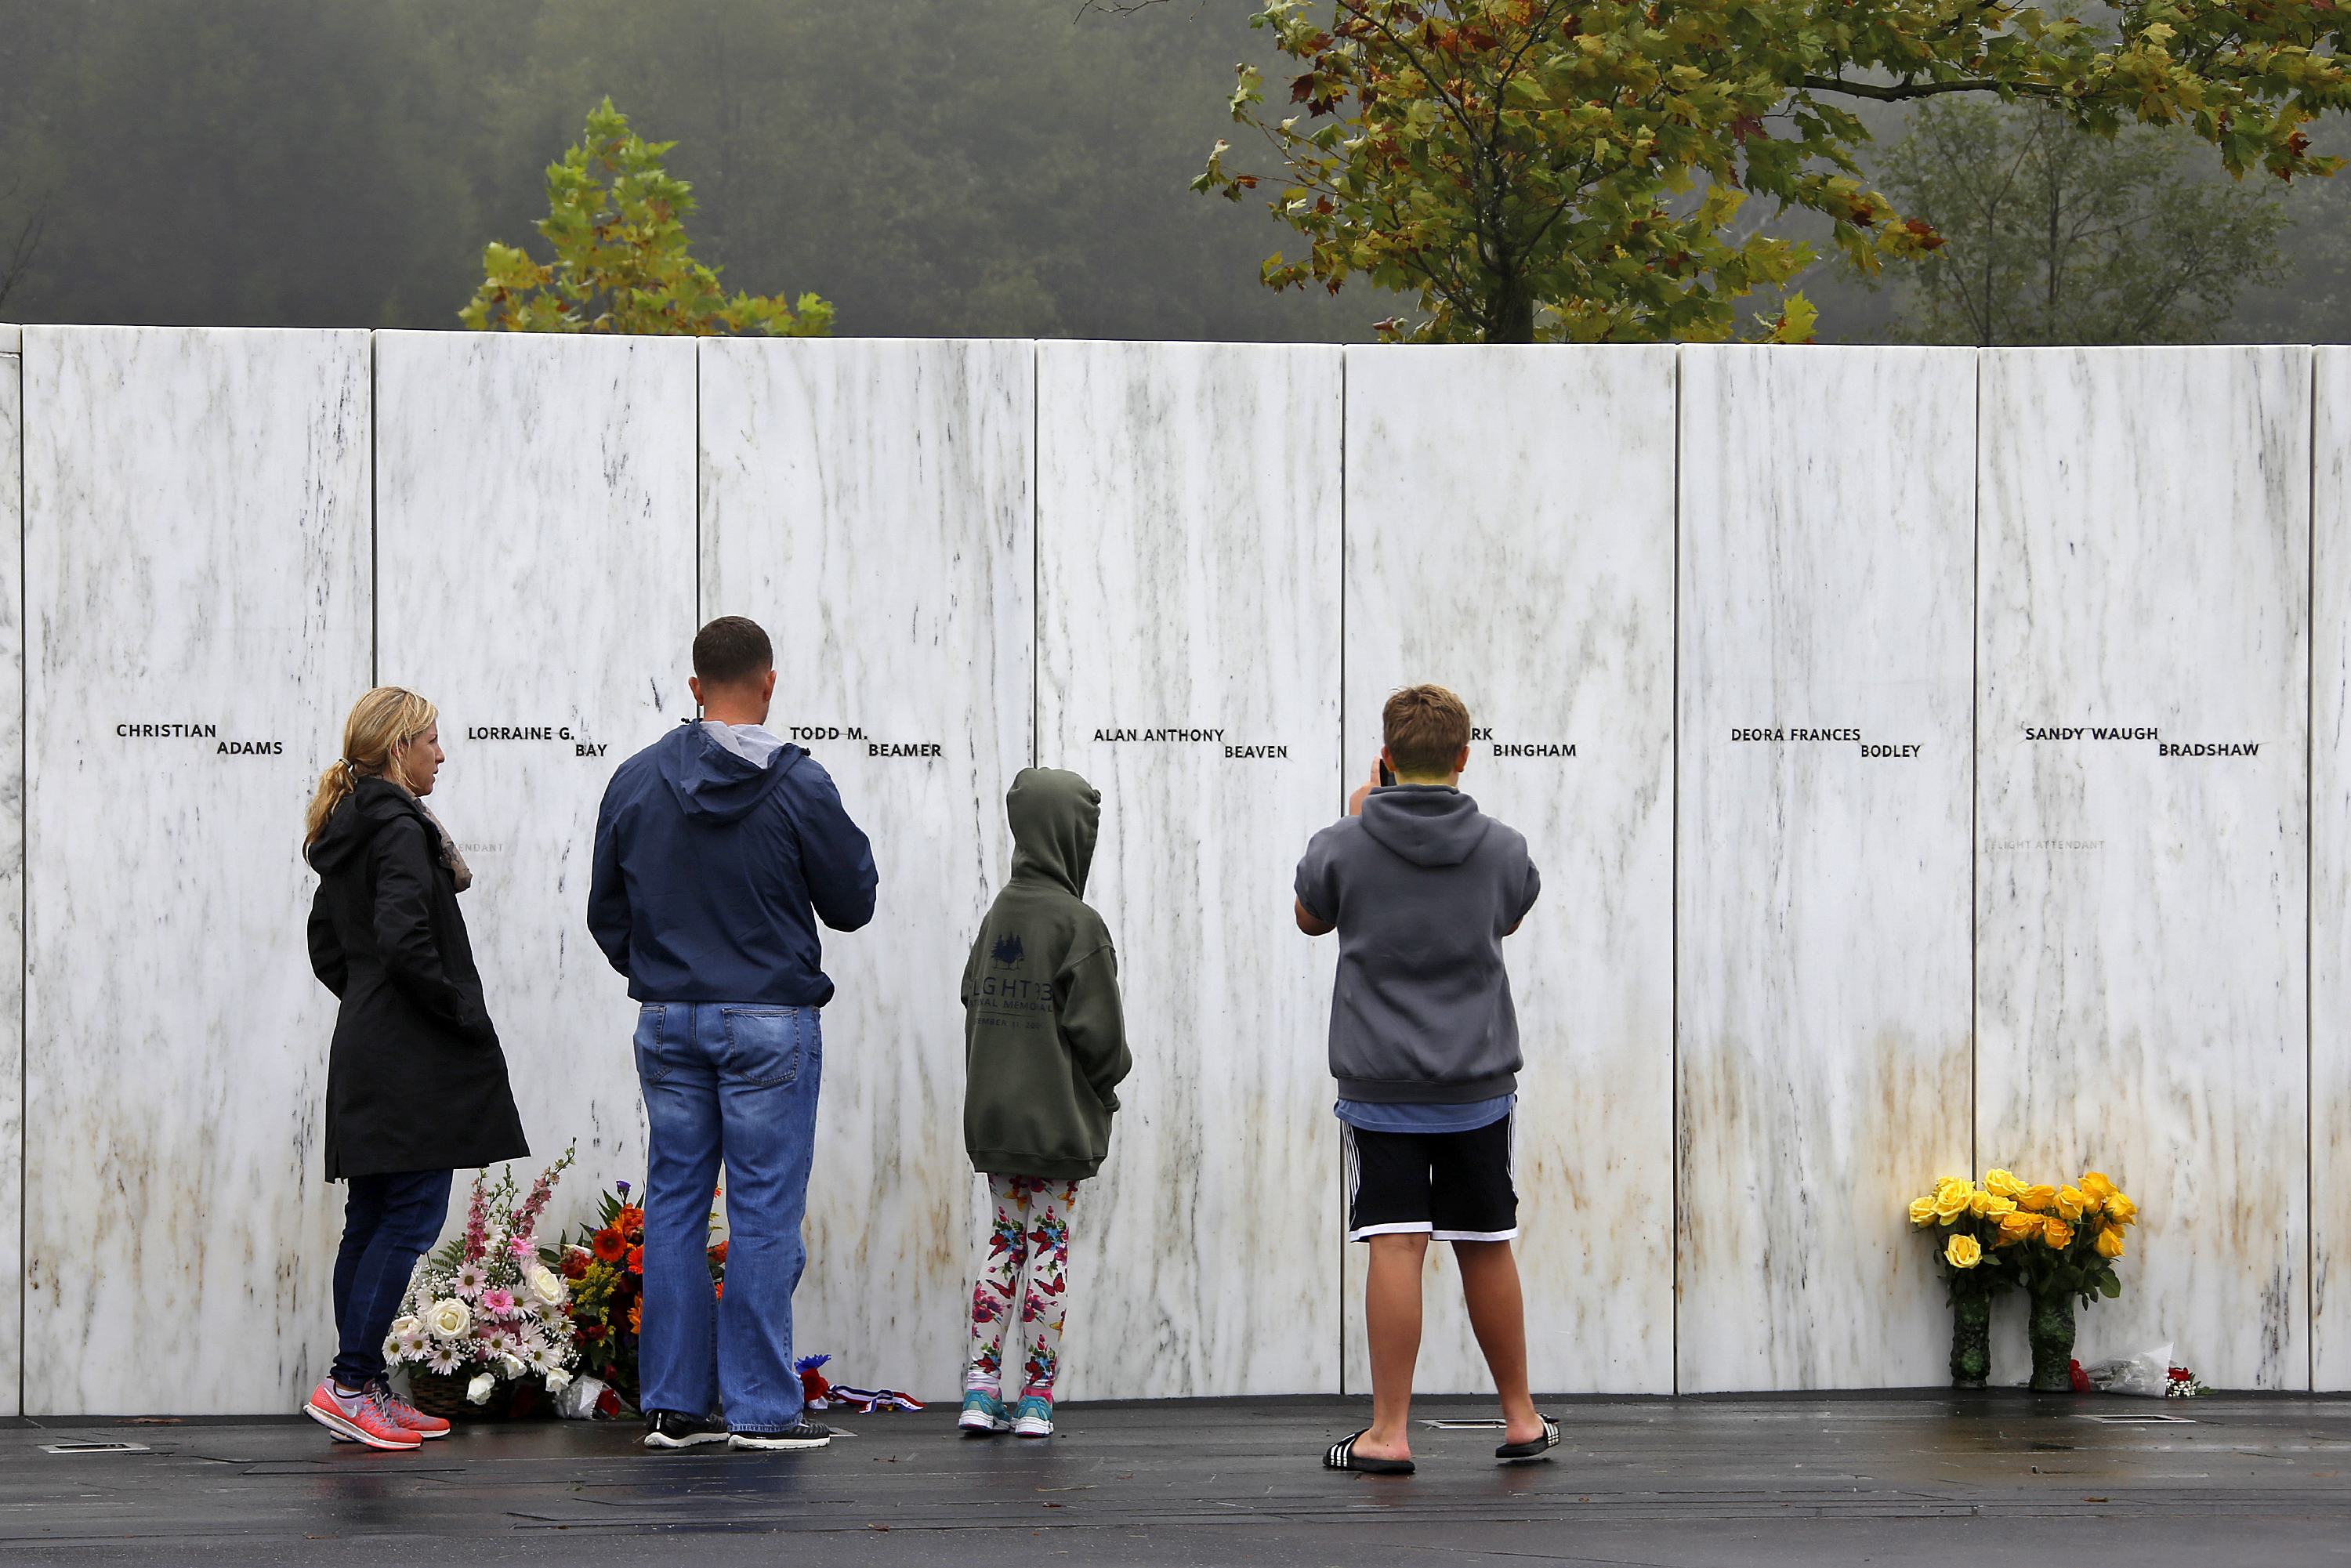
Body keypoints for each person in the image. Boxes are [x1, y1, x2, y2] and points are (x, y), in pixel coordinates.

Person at [589, 616, 878, 1452]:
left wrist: (669, 979)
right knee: (761, 1214)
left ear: (692, 687)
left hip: (669, 1019)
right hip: (768, 1022)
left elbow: (607, 912)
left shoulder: (636, 780)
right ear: (770, 683)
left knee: (675, 1208)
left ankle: (675, 1408)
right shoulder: (798, 783)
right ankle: (758, 1409)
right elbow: (853, 903)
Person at [1292, 683, 1554, 1475]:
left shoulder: (1344, 840)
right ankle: (1521, 1420)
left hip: (1382, 1087)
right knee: (1485, 1243)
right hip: (1476, 1084)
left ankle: (1388, 1433)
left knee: (1397, 1246)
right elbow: (1505, 918)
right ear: (1464, 757)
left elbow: (1310, 916)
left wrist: (1359, 811)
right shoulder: (1504, 847)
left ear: (1388, 756)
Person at [302, 686, 530, 1450]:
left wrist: (372, 1002)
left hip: (369, 1041)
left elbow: (329, 949)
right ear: (399, 748)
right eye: (432, 739)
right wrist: (455, 1010)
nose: (442, 753)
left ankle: (358, 1385)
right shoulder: (399, 829)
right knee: (408, 1218)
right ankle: (347, 1384)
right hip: (410, 1052)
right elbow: (405, 944)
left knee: (370, 1219)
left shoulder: (347, 825)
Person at [955, 769, 1130, 1441]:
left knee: (1003, 1243)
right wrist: (1105, 1088)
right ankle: (1034, 1398)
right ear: (1069, 836)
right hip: (1056, 1126)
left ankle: (978, 1388)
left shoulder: (998, 913)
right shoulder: (1079, 924)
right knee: (1049, 1249)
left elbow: (972, 997)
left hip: (996, 1121)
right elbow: (1103, 1039)